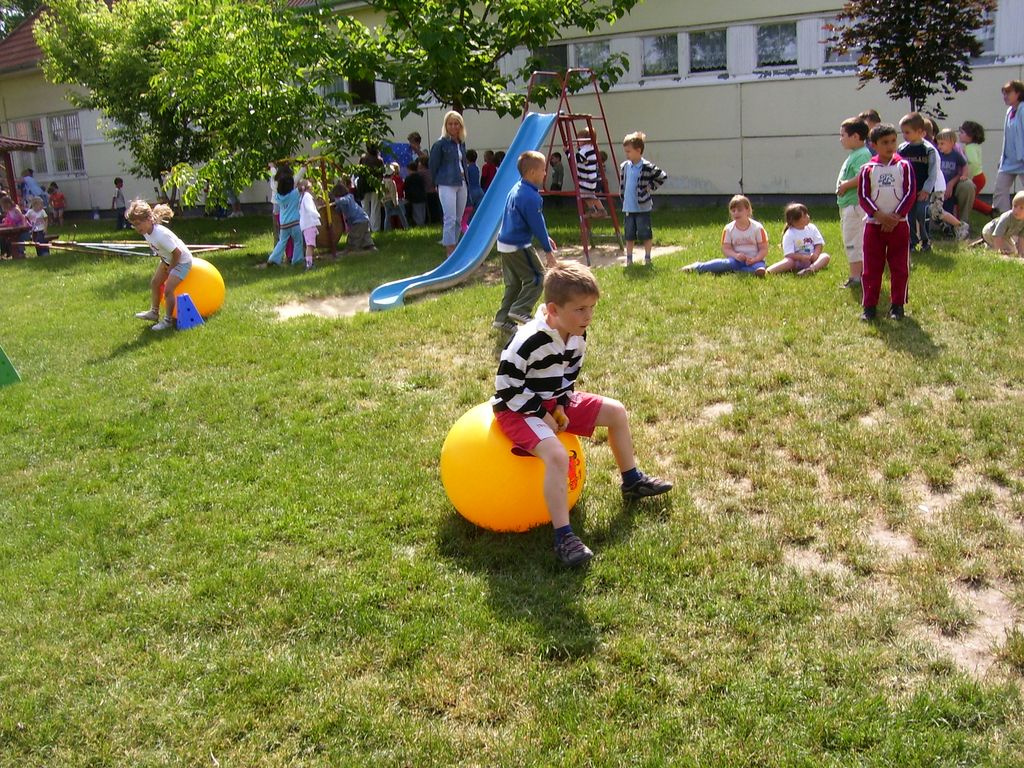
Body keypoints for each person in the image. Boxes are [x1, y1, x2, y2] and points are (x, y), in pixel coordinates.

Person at [492, 261, 673, 567]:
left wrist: (561, 404)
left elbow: (567, 376)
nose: (588, 317)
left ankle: (631, 481)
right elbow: (506, 387)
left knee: (616, 412)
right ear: (553, 309)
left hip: (552, 404)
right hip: (517, 410)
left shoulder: (577, 333)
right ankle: (563, 536)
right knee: (558, 455)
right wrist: (542, 413)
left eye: (591, 308)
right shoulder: (528, 341)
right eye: (579, 309)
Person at [492, 150, 558, 333]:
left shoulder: (517, 189)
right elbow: (536, 223)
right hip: (518, 244)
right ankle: (521, 309)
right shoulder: (531, 197)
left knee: (513, 284)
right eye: (543, 170)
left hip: (504, 243)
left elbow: (537, 222)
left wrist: (546, 236)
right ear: (532, 173)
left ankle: (502, 319)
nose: (545, 173)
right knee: (537, 277)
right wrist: (548, 251)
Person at [857, 123, 916, 321]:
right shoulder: (868, 169)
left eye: (893, 141)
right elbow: (863, 196)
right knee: (872, 267)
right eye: (884, 142)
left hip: (899, 225)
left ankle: (897, 306)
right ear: (874, 145)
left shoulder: (904, 166)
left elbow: (910, 193)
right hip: (874, 226)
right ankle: (869, 307)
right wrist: (879, 215)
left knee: (899, 267)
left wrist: (895, 217)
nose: (890, 146)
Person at [128, 200, 193, 331]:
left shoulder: (160, 234)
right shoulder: (146, 232)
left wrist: (171, 268)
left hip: (182, 262)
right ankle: (154, 313)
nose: (137, 228)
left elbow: (177, 253)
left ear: (148, 219)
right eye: (134, 225)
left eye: (138, 224)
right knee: (155, 283)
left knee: (168, 290)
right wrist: (165, 263)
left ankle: (168, 321)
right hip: (168, 260)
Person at [682, 195, 767, 276]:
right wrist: (735, 255)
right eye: (733, 211)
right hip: (735, 260)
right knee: (723, 264)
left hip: (756, 260)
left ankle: (753, 271)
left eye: (739, 210)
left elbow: (763, 249)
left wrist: (755, 259)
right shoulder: (728, 229)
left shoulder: (757, 228)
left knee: (759, 267)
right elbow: (726, 248)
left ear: (748, 210)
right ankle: (697, 267)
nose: (736, 213)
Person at [618, 131, 667, 266]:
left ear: (638, 150)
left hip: (642, 206)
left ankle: (647, 257)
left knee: (645, 232)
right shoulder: (625, 167)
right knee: (629, 234)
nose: (626, 154)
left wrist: (650, 186)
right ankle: (629, 259)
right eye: (626, 151)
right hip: (628, 206)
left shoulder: (646, 166)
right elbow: (623, 184)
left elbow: (662, 176)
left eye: (629, 151)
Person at [835, 117, 872, 288]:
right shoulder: (855, 154)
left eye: (843, 135)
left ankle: (856, 276)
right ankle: (858, 274)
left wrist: (846, 185)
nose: (840, 139)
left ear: (855, 136)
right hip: (848, 206)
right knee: (852, 240)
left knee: (853, 241)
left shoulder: (862, 154)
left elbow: (864, 176)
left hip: (855, 206)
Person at [429, 110, 469, 257]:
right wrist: (435, 183)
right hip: (446, 184)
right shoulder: (440, 144)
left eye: (456, 124)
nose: (453, 127)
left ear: (460, 125)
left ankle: (455, 247)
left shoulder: (461, 143)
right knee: (450, 218)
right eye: (450, 124)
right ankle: (449, 252)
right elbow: (433, 165)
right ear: (446, 126)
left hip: (461, 182)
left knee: (459, 219)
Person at [898, 112, 940, 253]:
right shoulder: (902, 149)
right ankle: (911, 241)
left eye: (908, 132)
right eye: (903, 132)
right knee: (908, 216)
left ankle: (925, 240)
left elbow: (932, 172)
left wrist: (927, 189)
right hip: (907, 191)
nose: (904, 135)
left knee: (921, 213)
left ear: (921, 132)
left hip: (922, 190)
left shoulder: (928, 150)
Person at [933, 128, 974, 240]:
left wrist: (964, 175)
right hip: (940, 187)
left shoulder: (956, 155)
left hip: (951, 187)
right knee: (942, 207)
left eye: (942, 143)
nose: (939, 146)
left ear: (952, 143)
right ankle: (948, 228)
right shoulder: (937, 155)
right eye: (938, 143)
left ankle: (958, 226)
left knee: (948, 206)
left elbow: (964, 165)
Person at [767, 203, 830, 275]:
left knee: (825, 256)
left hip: (811, 260)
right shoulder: (790, 234)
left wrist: (815, 254)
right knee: (788, 262)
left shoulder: (812, 228)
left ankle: (811, 269)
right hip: (796, 261)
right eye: (804, 216)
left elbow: (818, 243)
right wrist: (801, 257)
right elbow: (789, 254)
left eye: (807, 214)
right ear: (794, 220)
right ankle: (769, 271)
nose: (808, 217)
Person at [261, 168, 303, 267]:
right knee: (298, 242)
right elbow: (303, 186)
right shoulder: (295, 193)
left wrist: (272, 169)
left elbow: (275, 182)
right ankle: (297, 260)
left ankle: (273, 259)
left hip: (284, 224)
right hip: (295, 223)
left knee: (282, 242)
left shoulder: (278, 197)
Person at [994, 80, 1024, 214]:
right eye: (1004, 94)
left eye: (1008, 93)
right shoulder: (1009, 111)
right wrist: (1002, 157)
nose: (1005, 96)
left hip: (1022, 159)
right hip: (1009, 161)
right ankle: (1004, 224)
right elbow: (1007, 137)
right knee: (1000, 191)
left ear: (1018, 93)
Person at [958, 120, 992, 215]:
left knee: (966, 199)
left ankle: (990, 211)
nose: (959, 134)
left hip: (975, 178)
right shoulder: (974, 146)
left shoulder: (970, 148)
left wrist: (967, 176)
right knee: (969, 199)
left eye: (962, 132)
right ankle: (990, 211)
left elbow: (972, 162)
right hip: (979, 177)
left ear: (970, 135)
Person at [331, 182, 375, 251]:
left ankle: (352, 248)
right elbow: (339, 209)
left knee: (353, 235)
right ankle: (370, 246)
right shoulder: (343, 201)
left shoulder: (348, 197)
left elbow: (344, 201)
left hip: (358, 220)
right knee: (365, 236)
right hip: (363, 218)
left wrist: (336, 201)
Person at [980, 190, 1024, 256]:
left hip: (1004, 235)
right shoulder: (1006, 217)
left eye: (1021, 208)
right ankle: (989, 247)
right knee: (1008, 251)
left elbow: (1021, 238)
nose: (1016, 210)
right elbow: (997, 235)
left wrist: (1021, 253)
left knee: (1013, 251)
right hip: (990, 231)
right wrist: (998, 251)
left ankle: (989, 244)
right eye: (1015, 206)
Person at [575, 127, 606, 217]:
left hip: (587, 178)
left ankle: (601, 210)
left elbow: (576, 159)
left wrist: (568, 152)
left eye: (580, 139)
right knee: (585, 195)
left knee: (590, 195)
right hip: (587, 176)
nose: (578, 141)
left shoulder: (586, 150)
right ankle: (592, 209)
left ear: (586, 140)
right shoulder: (591, 148)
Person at [358, 145, 385, 232]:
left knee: (364, 207)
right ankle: (375, 228)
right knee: (375, 207)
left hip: (363, 185)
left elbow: (359, 171)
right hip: (375, 185)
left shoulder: (363, 158)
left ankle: (366, 228)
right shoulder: (379, 160)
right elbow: (381, 174)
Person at [297, 178, 320, 270]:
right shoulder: (307, 197)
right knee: (310, 245)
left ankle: (309, 262)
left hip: (306, 225)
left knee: (310, 245)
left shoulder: (302, 197)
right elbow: (310, 209)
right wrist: (317, 214)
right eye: (310, 187)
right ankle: (309, 264)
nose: (312, 190)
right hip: (309, 224)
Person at [382, 162, 409, 231]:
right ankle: (406, 227)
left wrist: (382, 201)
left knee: (387, 216)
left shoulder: (382, 182)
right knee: (401, 214)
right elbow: (393, 193)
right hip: (391, 200)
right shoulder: (391, 182)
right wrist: (395, 202)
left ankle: (386, 229)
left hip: (385, 201)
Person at [0, 195, 29, 259]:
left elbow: (22, 217)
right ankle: (10, 253)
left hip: (21, 228)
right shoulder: (9, 212)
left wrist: (24, 225)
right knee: (6, 238)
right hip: (13, 228)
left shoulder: (15, 209)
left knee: (19, 238)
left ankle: (21, 253)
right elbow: (7, 223)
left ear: (8, 204)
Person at [462, 149, 484, 232]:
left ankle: (469, 227)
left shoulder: (467, 169)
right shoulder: (476, 167)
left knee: (469, 212)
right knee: (477, 211)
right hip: (479, 190)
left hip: (471, 191)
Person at [403, 160, 427, 227]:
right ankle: (422, 223)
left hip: (414, 197)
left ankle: (420, 224)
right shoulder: (420, 177)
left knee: (417, 212)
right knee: (422, 211)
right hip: (422, 196)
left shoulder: (408, 178)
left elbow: (405, 187)